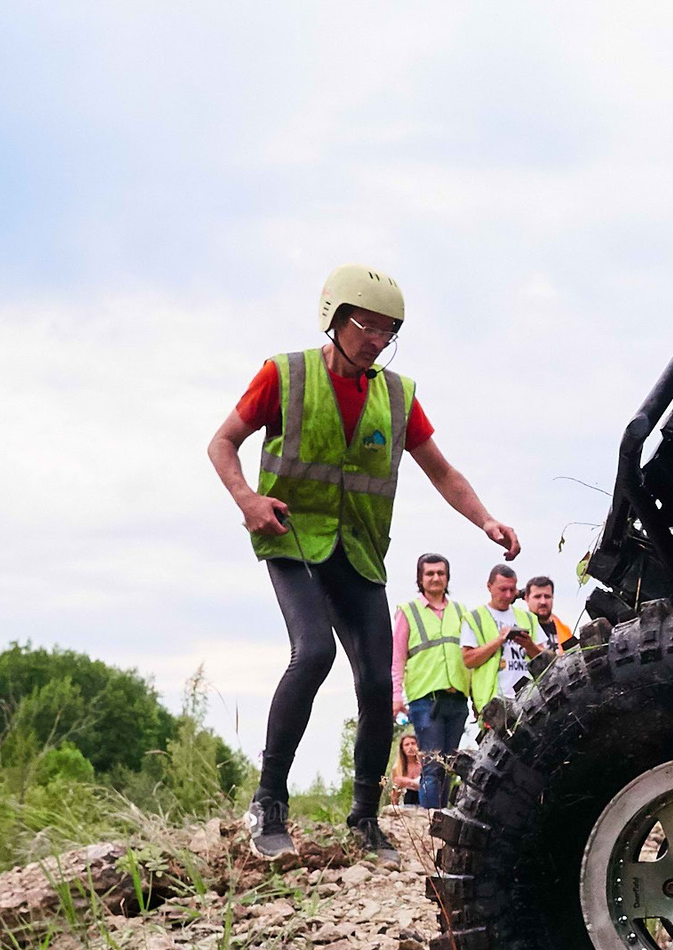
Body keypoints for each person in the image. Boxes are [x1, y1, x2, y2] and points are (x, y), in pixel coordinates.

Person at [206, 263, 519, 860]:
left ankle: (365, 820)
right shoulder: (285, 375)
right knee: (315, 652)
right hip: (292, 538)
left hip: (358, 552)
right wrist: (247, 500)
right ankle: (269, 802)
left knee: (378, 685)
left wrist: (485, 520)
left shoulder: (397, 397)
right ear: (333, 318)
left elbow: (443, 472)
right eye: (365, 326)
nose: (376, 340)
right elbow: (222, 442)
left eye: (388, 331)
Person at [391, 553, 478, 809]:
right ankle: (429, 821)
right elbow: (396, 658)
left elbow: (469, 655)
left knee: (449, 765)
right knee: (432, 765)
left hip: (457, 697)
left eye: (440, 573)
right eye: (429, 573)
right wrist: (396, 696)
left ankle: (442, 822)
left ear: (447, 577)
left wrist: (474, 696)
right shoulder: (408, 612)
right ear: (420, 578)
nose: (435, 578)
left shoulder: (461, 612)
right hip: (424, 699)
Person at [470, 564, 545, 719]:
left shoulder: (529, 618)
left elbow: (545, 659)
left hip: (529, 701)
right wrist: (498, 641)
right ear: (489, 587)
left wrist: (529, 645)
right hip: (493, 704)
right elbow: (468, 660)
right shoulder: (475, 618)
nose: (508, 595)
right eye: (503, 589)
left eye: (512, 589)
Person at [523, 575, 576, 649]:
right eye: (537, 597)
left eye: (547, 596)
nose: (543, 602)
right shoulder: (521, 630)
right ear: (527, 599)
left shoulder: (564, 630)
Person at [390, 730, 425, 806]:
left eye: (413, 743)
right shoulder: (397, 768)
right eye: (407, 745)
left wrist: (408, 782)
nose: (410, 747)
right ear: (402, 748)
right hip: (408, 803)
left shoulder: (424, 764)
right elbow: (395, 793)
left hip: (424, 800)